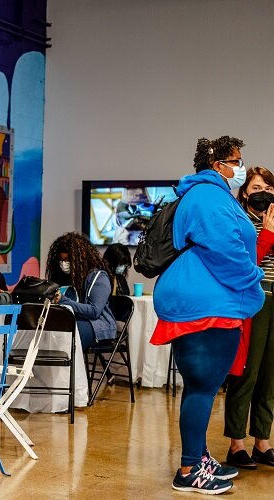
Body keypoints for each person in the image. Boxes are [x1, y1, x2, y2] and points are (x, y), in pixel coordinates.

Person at [150, 136, 264, 494]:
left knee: (200, 388)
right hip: (205, 308)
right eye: (237, 161)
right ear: (219, 165)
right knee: (201, 388)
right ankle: (188, 471)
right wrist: (254, 279)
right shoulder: (208, 196)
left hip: (205, 304)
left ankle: (197, 457)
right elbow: (226, 250)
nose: (240, 168)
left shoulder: (207, 195)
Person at [224, 166, 274, 469]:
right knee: (247, 373)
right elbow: (244, 264)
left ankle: (262, 441)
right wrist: (267, 234)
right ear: (244, 192)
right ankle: (236, 444)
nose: (263, 193)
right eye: (256, 188)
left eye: (268, 187)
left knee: (270, 375)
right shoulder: (240, 222)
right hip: (254, 300)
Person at [45, 232, 116, 349]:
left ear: (80, 259)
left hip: (98, 325)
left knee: (66, 334)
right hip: (74, 321)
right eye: (61, 260)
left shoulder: (99, 277)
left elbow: (94, 311)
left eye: (68, 259)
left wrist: (63, 301)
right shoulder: (61, 277)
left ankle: (68, 367)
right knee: (47, 329)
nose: (64, 264)